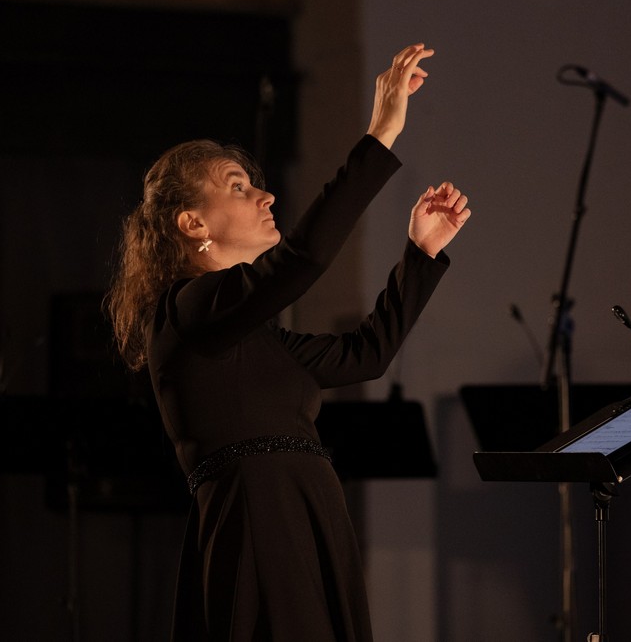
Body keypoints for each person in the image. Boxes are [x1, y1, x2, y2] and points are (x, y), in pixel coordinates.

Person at [106, 43, 470, 641]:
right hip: (260, 522)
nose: (266, 196)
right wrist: (380, 133)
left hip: (306, 517)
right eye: (239, 187)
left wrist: (421, 253)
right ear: (194, 224)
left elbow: (367, 356)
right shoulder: (187, 311)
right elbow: (305, 257)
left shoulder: (252, 333)